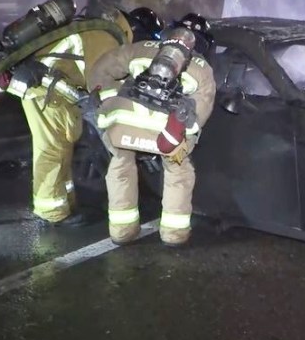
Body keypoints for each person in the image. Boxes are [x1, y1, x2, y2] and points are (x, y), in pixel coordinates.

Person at [0, 1, 165, 226]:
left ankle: (65, 202)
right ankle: (52, 212)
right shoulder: (107, 41)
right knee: (52, 149)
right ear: (136, 32)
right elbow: (102, 95)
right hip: (45, 89)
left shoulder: (101, 30)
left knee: (62, 145)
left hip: (50, 87)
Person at [87, 24, 216, 246]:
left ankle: (121, 231)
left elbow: (100, 69)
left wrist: (109, 101)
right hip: (164, 134)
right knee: (178, 170)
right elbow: (198, 116)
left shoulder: (139, 48)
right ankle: (173, 235)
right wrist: (183, 136)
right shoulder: (202, 67)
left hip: (124, 123)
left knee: (120, 166)